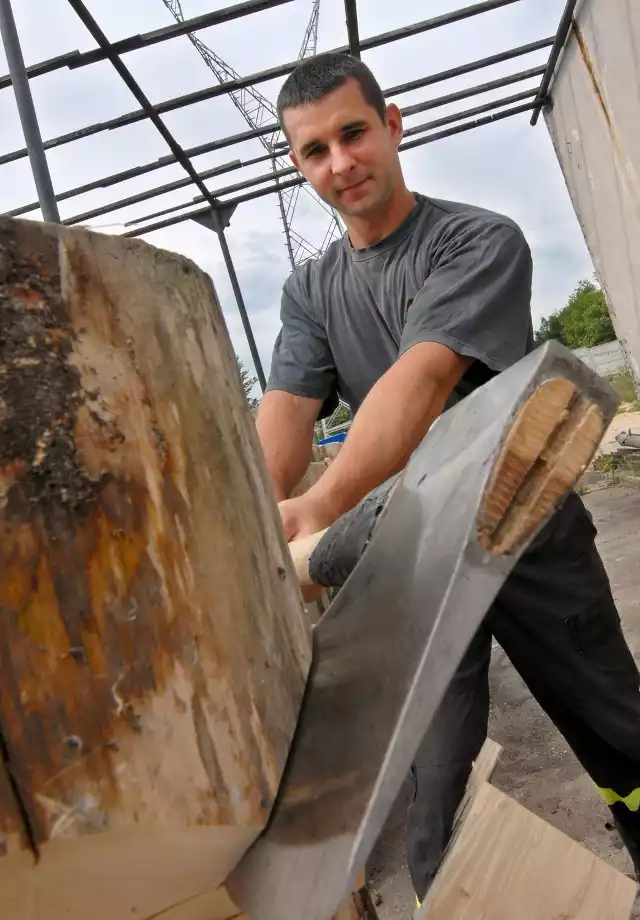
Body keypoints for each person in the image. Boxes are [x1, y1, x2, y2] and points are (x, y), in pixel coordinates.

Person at [255, 51, 640, 903]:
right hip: (413, 556)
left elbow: (423, 381)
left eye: (353, 133)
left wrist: (318, 505)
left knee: (618, 729)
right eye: (314, 150)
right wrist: (256, 516)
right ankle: (448, 896)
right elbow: (284, 407)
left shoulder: (475, 239)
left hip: (525, 534)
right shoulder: (311, 290)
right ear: (298, 165)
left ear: (393, 126)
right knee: (432, 781)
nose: (340, 163)